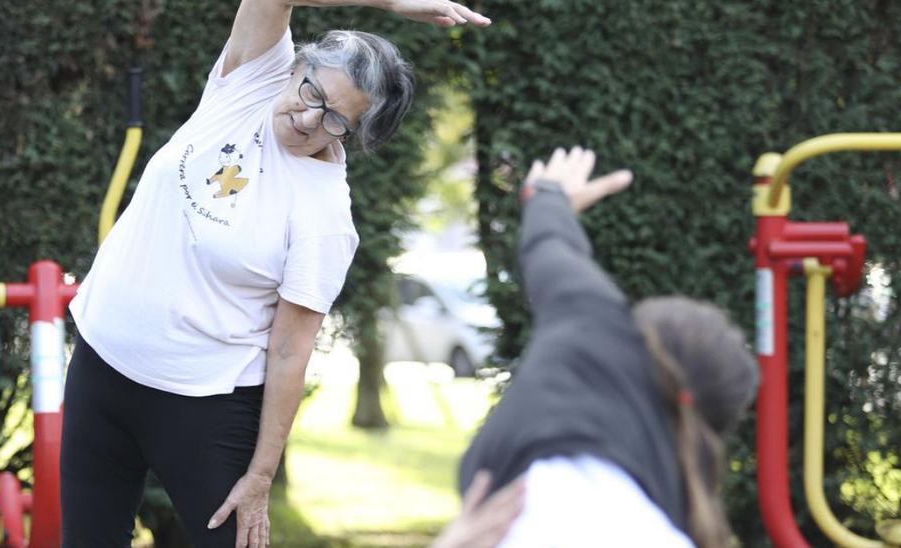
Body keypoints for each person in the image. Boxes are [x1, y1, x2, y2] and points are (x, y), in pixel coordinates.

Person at [60, 1, 490, 546]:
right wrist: (391, 3)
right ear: (297, 68)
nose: (310, 118)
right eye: (312, 93)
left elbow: (290, 350)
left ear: (354, 133)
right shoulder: (249, 84)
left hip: (202, 406)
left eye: (336, 119)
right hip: (102, 364)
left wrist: (261, 476)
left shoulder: (324, 215)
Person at [456, 147, 759, 547]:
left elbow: (551, 251)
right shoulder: (673, 512)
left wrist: (548, 196)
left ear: (634, 343)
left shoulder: (597, 337)